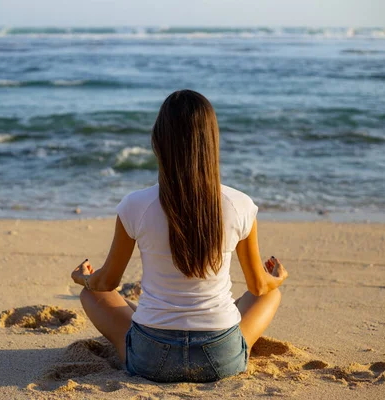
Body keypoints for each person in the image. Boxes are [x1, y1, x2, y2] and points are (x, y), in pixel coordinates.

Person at [71, 89, 288, 383]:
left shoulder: (136, 205)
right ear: (212, 142)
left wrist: (83, 278)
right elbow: (258, 286)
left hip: (152, 357)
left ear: (159, 141)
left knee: (92, 294)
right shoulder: (240, 205)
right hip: (219, 357)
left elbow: (107, 282)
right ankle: (232, 345)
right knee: (270, 294)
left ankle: (148, 323)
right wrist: (278, 278)